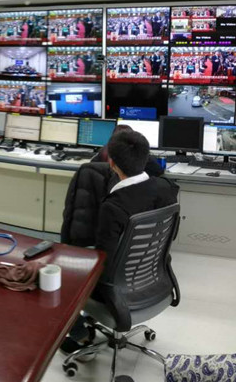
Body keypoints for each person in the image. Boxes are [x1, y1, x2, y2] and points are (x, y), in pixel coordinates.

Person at [62, 131, 178, 354]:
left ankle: (81, 337)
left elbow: (104, 266)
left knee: (58, 271)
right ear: (146, 157)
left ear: (112, 163)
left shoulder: (113, 206)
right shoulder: (166, 188)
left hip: (117, 294)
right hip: (156, 281)